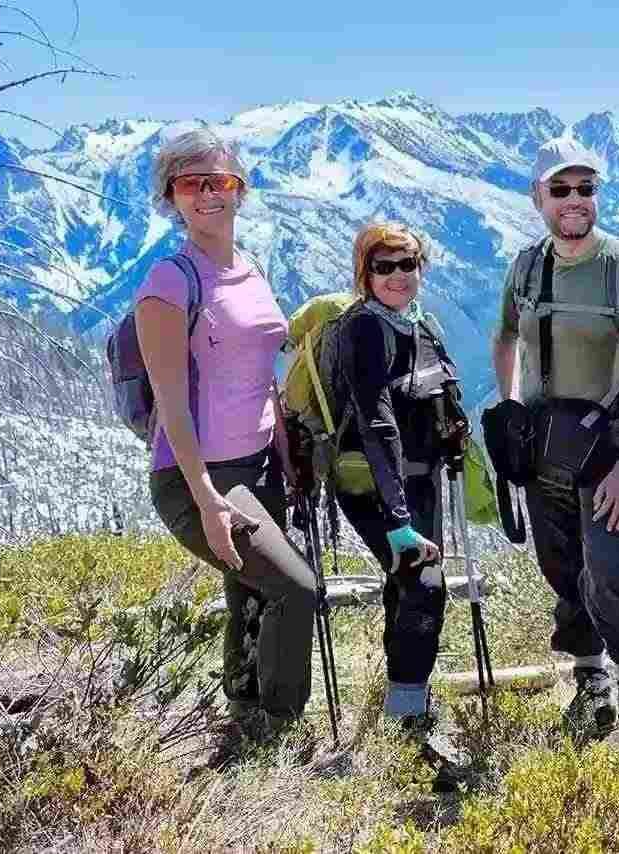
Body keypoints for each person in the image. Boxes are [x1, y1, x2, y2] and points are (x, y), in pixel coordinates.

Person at [136, 129, 316, 764]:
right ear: (172, 197)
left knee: (251, 592)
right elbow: (171, 404)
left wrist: (286, 456)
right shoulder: (168, 283)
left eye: (222, 181)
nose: (209, 193)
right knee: (296, 590)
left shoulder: (253, 269)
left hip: (260, 462)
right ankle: (281, 731)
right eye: (193, 183)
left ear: (241, 188)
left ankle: (245, 717)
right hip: (198, 475)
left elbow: (263, 374)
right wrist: (208, 499)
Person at [491, 136, 619, 741]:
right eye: (561, 189)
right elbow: (505, 337)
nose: (574, 200)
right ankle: (590, 681)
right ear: (537, 197)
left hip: (609, 449)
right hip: (544, 445)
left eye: (585, 188)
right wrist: (510, 408)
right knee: (562, 566)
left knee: (609, 566)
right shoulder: (526, 267)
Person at [330, 222, 452, 730]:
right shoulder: (363, 328)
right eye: (385, 267)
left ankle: (404, 706)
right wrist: (399, 521)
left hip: (421, 479)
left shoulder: (420, 324)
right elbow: (376, 422)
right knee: (424, 584)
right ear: (366, 273)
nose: (398, 275)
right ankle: (409, 717)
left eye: (408, 264)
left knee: (407, 587)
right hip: (376, 486)